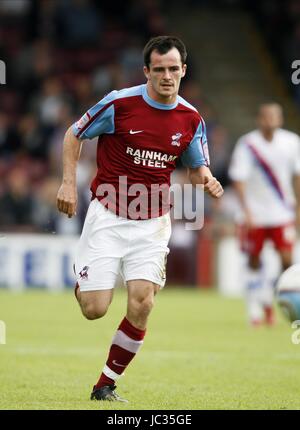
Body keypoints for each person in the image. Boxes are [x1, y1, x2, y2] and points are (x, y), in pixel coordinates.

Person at [56, 35, 223, 402]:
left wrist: (207, 179)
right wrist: (68, 182)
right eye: (159, 69)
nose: (167, 76)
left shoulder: (191, 118)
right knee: (94, 310)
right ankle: (86, 285)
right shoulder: (119, 103)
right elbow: (74, 134)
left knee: (143, 302)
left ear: (183, 71)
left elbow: (196, 168)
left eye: (173, 69)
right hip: (108, 215)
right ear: (146, 71)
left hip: (152, 222)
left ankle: (105, 384)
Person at [228, 103, 300, 326]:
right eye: (266, 116)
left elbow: (297, 176)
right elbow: (239, 179)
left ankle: (272, 300)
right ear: (259, 119)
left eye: (274, 116)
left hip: (282, 212)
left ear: (280, 119)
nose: (270, 120)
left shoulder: (291, 142)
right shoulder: (248, 144)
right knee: (254, 259)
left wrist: (297, 208)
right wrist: (246, 211)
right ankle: (255, 309)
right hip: (255, 214)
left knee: (287, 260)